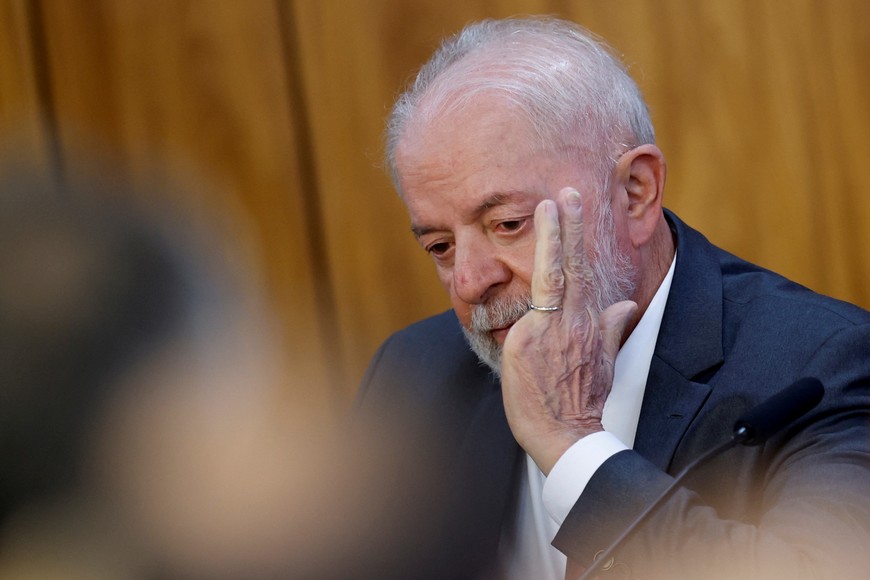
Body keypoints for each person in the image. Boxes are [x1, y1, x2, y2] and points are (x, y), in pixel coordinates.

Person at [357, 16, 870, 579]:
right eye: (440, 245)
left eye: (507, 224)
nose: (470, 282)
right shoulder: (416, 375)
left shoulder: (823, 365)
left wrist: (573, 446)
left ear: (635, 194)